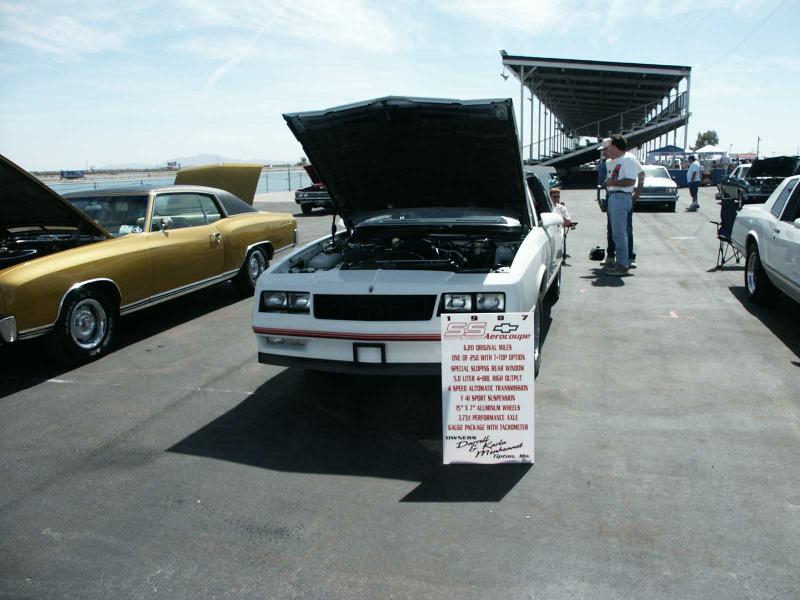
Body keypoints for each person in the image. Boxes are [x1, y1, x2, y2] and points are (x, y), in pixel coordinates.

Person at [601, 134, 640, 276]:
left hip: (621, 197)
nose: (608, 148)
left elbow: (630, 181)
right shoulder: (612, 161)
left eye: (610, 145)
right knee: (616, 233)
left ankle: (622, 265)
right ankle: (621, 263)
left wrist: (612, 182)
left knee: (620, 233)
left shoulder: (628, 159)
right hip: (613, 196)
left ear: (615, 146)